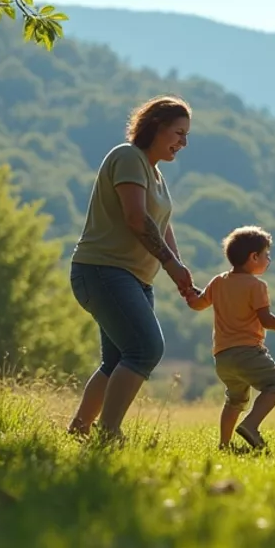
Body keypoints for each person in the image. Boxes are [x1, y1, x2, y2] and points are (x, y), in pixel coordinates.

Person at [66, 96, 197, 441]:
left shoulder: (154, 173)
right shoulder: (127, 157)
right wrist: (171, 266)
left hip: (134, 278)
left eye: (186, 136)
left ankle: (79, 430)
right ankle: (108, 433)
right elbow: (137, 219)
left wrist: (179, 270)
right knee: (145, 349)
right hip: (103, 270)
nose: (183, 143)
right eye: (178, 133)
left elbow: (161, 224)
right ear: (155, 126)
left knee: (117, 361)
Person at [185, 226, 275, 450]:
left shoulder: (219, 281)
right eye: (266, 255)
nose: (268, 260)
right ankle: (250, 425)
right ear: (253, 257)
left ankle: (224, 444)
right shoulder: (256, 286)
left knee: (235, 400)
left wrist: (187, 290)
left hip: (222, 357)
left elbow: (197, 303)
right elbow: (266, 320)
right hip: (248, 352)